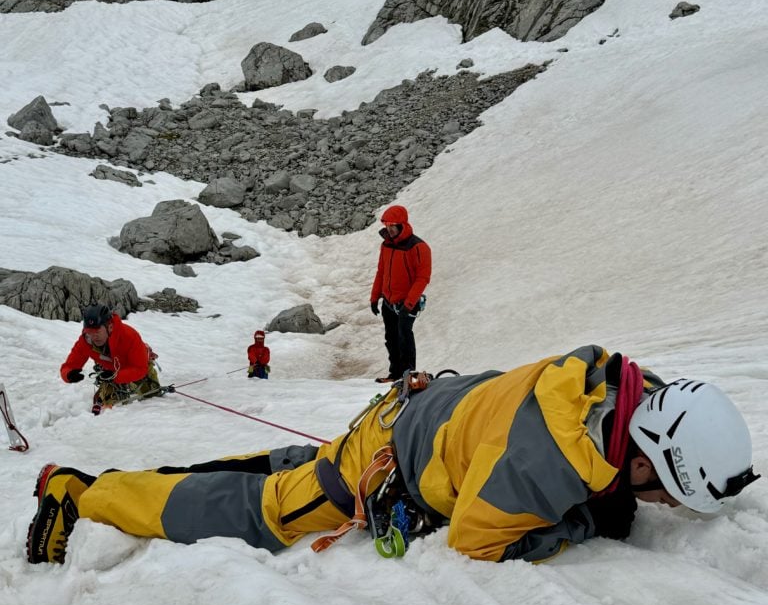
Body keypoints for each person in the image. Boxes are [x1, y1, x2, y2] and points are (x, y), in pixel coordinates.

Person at [27, 345, 759, 567]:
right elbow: (477, 540)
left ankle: (129, 485)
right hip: (389, 450)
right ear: (643, 460)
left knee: (298, 470)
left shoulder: (630, 388)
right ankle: (83, 493)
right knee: (269, 512)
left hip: (416, 415)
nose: (660, 504)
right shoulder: (544, 467)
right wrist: (585, 522)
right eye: (663, 492)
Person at [61, 304, 161, 415]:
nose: (94, 336)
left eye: (97, 331)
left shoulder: (129, 336)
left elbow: (140, 369)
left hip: (138, 370)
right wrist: (68, 375)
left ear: (110, 327)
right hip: (110, 373)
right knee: (104, 404)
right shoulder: (87, 341)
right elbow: (69, 365)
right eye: (90, 332)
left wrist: (115, 376)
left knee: (152, 397)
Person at [370, 205, 431, 384]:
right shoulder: (386, 245)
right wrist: (375, 297)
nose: (389, 230)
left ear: (402, 225)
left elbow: (422, 278)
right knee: (391, 338)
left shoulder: (418, 247)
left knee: (404, 337)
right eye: (387, 226)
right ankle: (395, 374)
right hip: (388, 302)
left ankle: (407, 375)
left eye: (393, 226)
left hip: (406, 303)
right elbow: (381, 272)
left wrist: (409, 303)